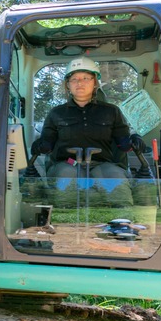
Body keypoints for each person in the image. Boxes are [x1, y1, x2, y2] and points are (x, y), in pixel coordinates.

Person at [30, 57, 133, 208]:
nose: (80, 83)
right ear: (68, 85)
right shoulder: (56, 113)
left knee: (115, 180)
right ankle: (63, 224)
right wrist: (41, 145)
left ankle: (122, 224)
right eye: (74, 79)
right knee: (66, 180)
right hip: (66, 164)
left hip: (103, 163)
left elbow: (123, 143)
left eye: (86, 78)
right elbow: (48, 144)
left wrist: (132, 141)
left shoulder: (111, 112)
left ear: (95, 82)